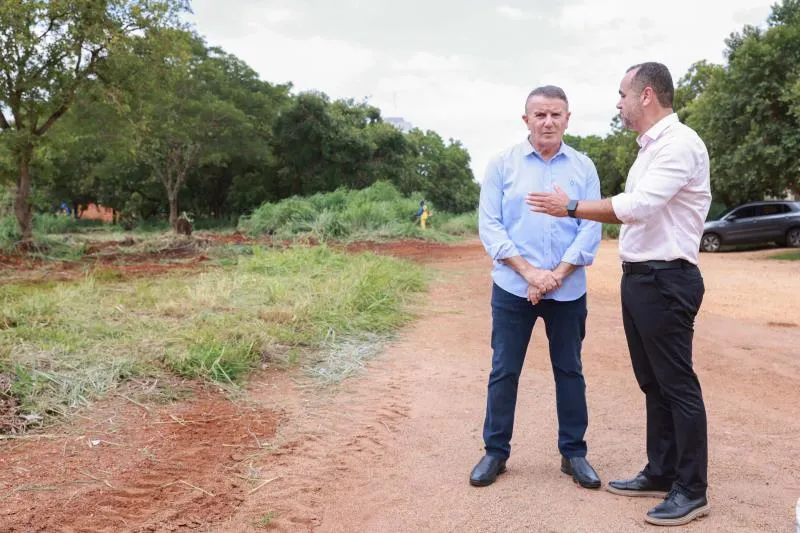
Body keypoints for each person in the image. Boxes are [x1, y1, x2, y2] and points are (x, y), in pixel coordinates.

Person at [527, 62, 712, 527]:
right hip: (642, 278)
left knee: (677, 384)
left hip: (667, 278)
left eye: (622, 94)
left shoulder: (679, 144)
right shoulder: (649, 148)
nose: (618, 103)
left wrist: (570, 206)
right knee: (652, 382)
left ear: (646, 95)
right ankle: (662, 470)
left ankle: (691, 489)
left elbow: (640, 206)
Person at [470, 85, 602, 490]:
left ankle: (573, 453)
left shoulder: (583, 167)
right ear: (525, 119)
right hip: (514, 287)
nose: (548, 121)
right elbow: (490, 225)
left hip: (567, 288)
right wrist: (529, 273)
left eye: (556, 114)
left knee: (570, 370)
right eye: (540, 114)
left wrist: (556, 276)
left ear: (567, 118)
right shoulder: (502, 165)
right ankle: (495, 452)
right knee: (504, 370)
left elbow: (591, 226)